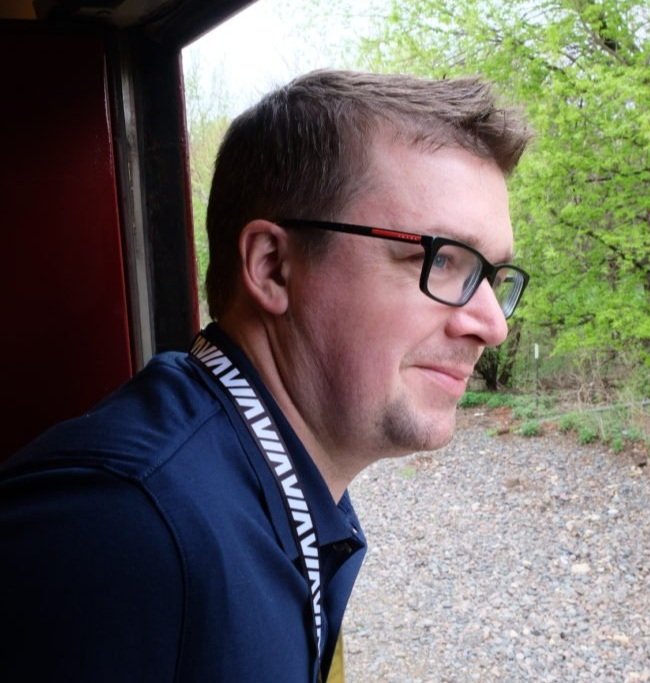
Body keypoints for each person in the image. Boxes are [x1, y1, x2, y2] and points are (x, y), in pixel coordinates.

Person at [0, 69, 530, 682]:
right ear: (273, 266)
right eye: (442, 259)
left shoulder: (269, 485)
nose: (492, 325)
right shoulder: (124, 529)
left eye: (492, 276)